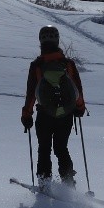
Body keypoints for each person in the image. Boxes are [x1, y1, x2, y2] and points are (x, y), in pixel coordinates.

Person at [21, 25, 86, 187]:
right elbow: (77, 88)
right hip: (66, 114)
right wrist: (80, 108)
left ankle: (44, 183)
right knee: (61, 148)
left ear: (40, 42)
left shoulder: (37, 65)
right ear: (57, 40)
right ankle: (68, 182)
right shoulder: (68, 64)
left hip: (44, 114)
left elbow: (31, 93)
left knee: (44, 149)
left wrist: (26, 115)